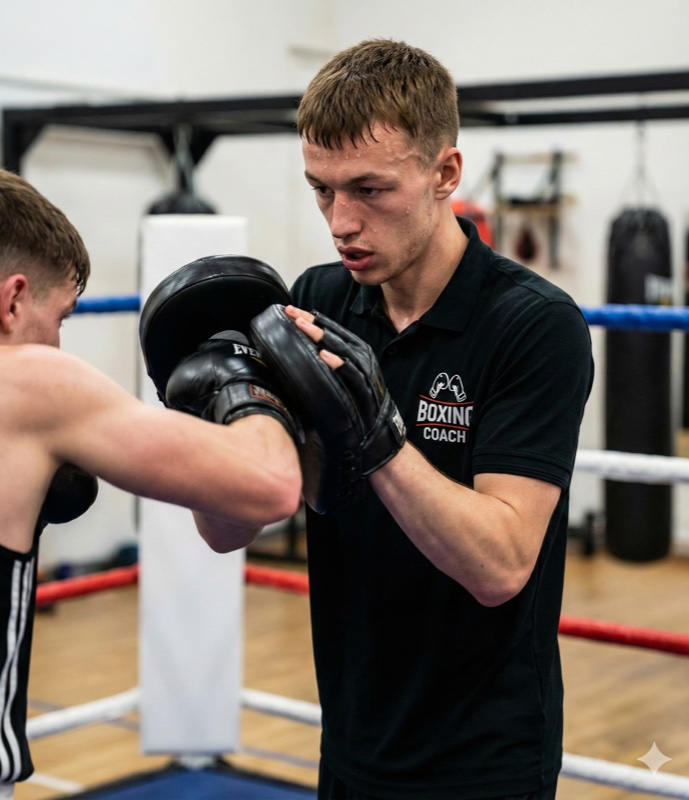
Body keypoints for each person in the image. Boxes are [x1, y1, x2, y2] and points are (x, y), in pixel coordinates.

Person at [286, 39, 593, 799]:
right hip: (351, 735)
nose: (341, 222)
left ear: (444, 173)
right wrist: (213, 407)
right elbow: (234, 526)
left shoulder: (532, 325)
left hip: (483, 757)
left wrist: (376, 430)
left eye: (369, 189)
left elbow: (500, 566)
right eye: (322, 190)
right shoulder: (318, 299)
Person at [0, 168, 302, 798]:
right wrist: (244, 383)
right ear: (13, 300)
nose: (56, 342)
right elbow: (272, 484)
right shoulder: (31, 382)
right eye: (60, 318)